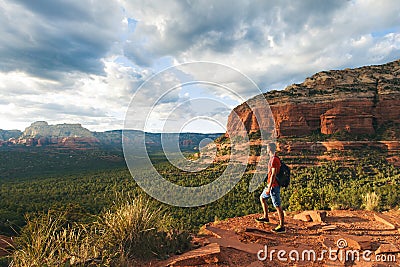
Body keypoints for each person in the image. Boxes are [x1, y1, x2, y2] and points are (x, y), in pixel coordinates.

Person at [255, 142, 285, 233]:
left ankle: (282, 226)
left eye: (267, 149)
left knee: (277, 206)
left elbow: (273, 174)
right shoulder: (272, 159)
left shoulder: (274, 160)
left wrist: (269, 188)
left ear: (269, 149)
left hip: (273, 186)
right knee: (262, 198)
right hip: (270, 185)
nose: (266, 150)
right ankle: (266, 217)